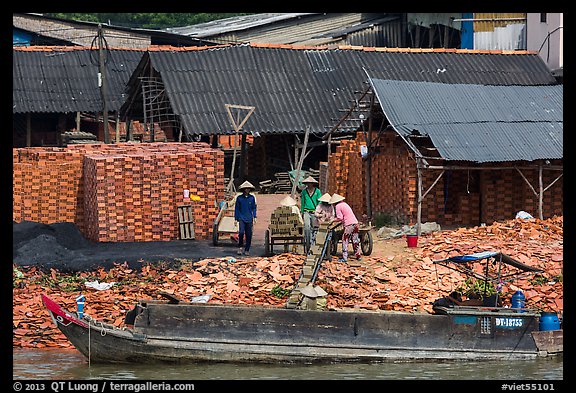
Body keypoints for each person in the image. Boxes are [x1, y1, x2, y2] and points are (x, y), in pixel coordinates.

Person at [329, 193, 361, 262]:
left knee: (345, 240)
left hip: (349, 225)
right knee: (355, 240)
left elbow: (340, 218)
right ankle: (358, 255)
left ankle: (344, 257)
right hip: (355, 223)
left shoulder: (338, 206)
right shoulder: (345, 204)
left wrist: (332, 220)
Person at [234, 181, 257, 256]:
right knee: (241, 233)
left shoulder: (252, 198)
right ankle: (240, 247)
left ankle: (247, 249)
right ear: (243, 189)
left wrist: (255, 216)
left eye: (248, 189)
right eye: (245, 189)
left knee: (249, 234)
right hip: (241, 217)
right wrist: (236, 218)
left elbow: (254, 208)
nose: (247, 190)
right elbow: (237, 208)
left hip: (249, 218)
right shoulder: (239, 198)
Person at [300, 176, 322, 254]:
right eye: (307, 183)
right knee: (307, 228)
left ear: (313, 184)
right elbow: (302, 202)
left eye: (310, 183)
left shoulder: (317, 191)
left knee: (315, 229)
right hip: (306, 212)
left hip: (314, 212)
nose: (309, 185)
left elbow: (319, 202)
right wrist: (301, 212)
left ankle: (314, 245)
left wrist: (318, 211)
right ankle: (308, 245)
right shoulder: (304, 192)